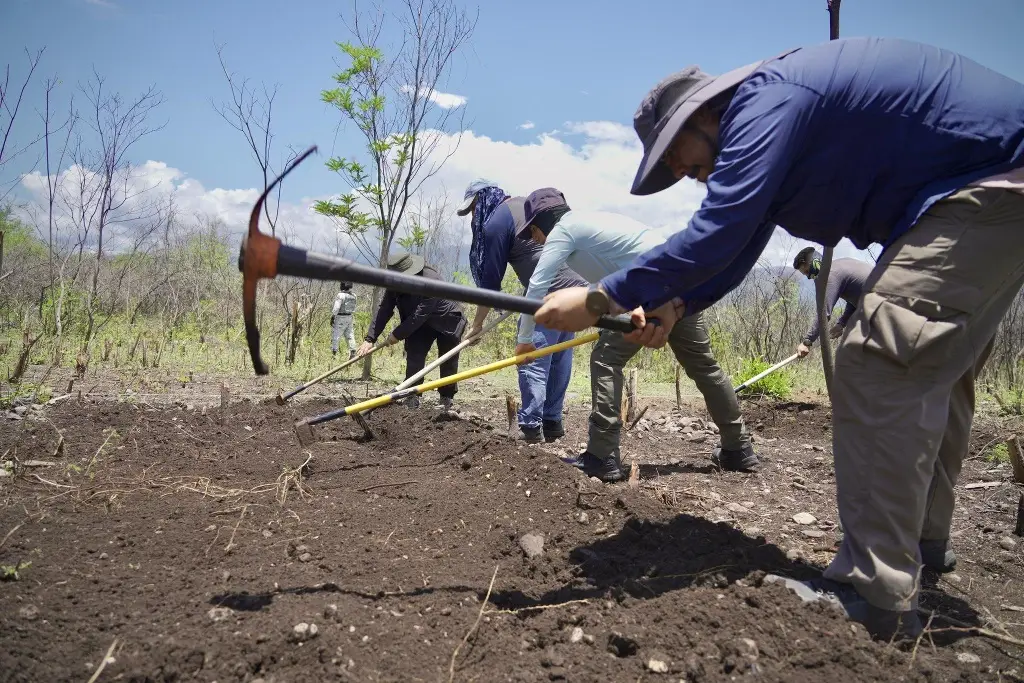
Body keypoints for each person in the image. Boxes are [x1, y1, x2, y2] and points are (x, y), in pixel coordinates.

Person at [532, 37, 1024, 640]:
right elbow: (741, 243)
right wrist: (680, 303)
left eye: (680, 159)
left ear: (704, 114)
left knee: (881, 361)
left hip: (984, 186)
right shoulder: (776, 116)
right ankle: (923, 540)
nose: (685, 175)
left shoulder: (763, 104)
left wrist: (600, 296)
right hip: (993, 188)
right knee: (932, 369)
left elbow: (718, 229)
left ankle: (873, 593)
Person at [516, 187, 756, 481]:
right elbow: (614, 270)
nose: (534, 240)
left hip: (649, 290)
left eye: (533, 232)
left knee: (605, 359)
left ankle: (602, 456)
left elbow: (538, 286)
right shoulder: (592, 223)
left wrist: (524, 340)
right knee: (705, 367)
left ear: (544, 221)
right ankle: (738, 447)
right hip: (683, 286)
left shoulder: (563, 231)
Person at [457, 179, 589, 443]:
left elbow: (489, 284)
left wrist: (477, 324)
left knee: (532, 357)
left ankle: (530, 427)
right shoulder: (521, 204)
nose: (472, 217)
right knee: (558, 354)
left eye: (472, 209)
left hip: (548, 295)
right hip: (578, 293)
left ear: (482, 200)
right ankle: (552, 422)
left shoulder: (495, 222)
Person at [357, 251, 467, 410]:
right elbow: (385, 309)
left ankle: (446, 398)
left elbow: (419, 315)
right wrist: (370, 339)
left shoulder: (430, 280)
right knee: (414, 356)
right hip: (420, 324)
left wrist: (396, 335)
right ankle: (411, 395)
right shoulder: (394, 283)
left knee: (448, 359)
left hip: (447, 319)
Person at [791, 248, 872, 358]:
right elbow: (856, 298)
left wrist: (807, 341)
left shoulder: (829, 275)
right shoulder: (841, 265)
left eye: (807, 272)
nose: (809, 277)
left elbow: (824, 314)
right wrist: (841, 323)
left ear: (812, 262)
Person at [331, 281, 358, 359]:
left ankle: (334, 354)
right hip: (349, 317)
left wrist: (333, 316)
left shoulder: (341, 295)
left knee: (336, 335)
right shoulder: (354, 295)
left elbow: (336, 308)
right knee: (350, 334)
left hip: (340, 317)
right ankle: (353, 350)